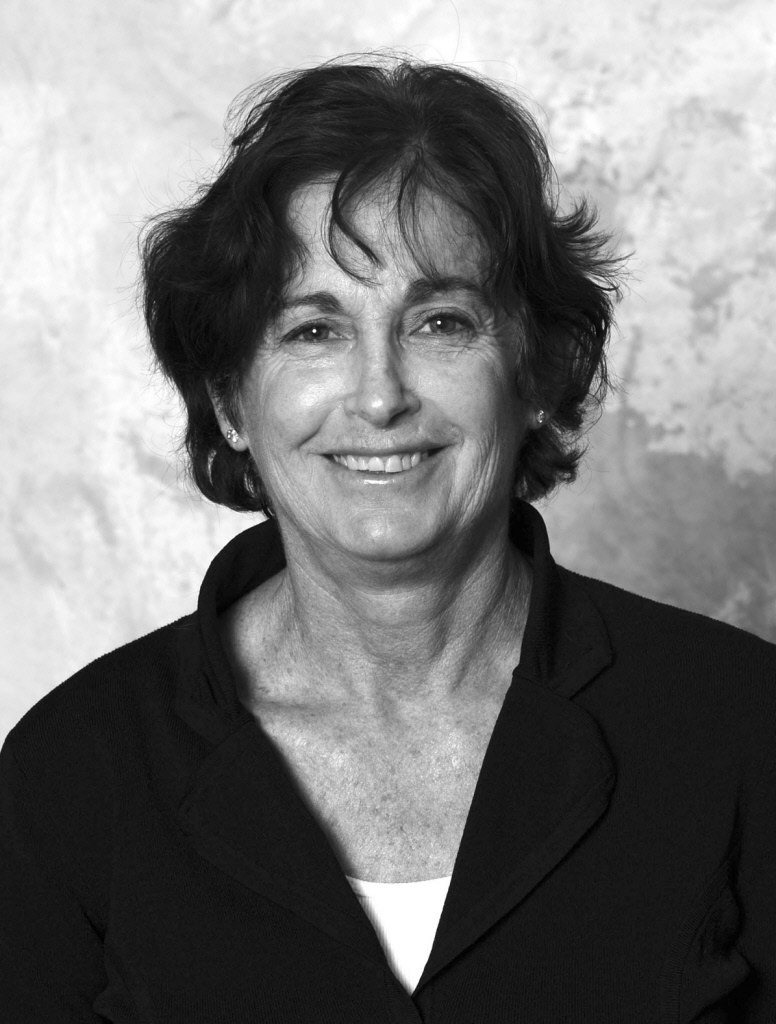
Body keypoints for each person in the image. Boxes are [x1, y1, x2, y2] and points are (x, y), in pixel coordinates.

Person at [1, 56, 775, 1024]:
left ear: (538, 371)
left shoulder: (742, 729)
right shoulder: (77, 769)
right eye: (311, 331)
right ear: (229, 400)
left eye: (440, 322)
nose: (378, 397)